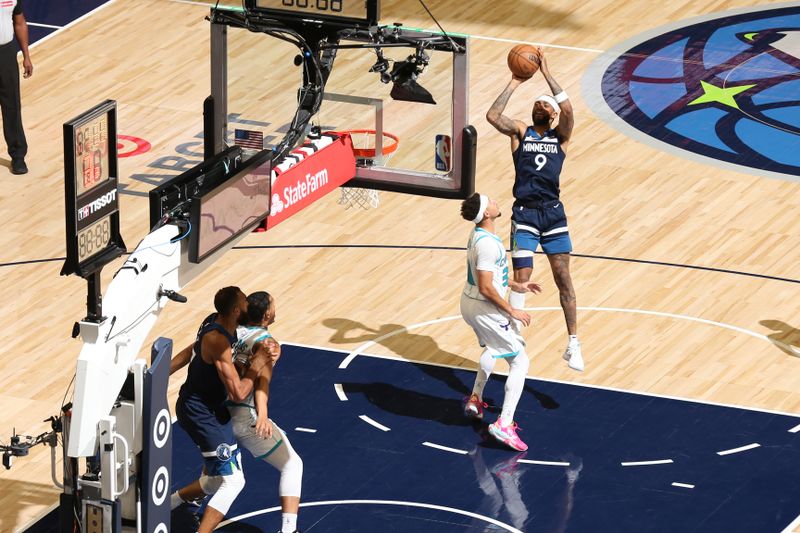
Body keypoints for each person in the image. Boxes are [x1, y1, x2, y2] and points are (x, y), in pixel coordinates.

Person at [486, 47, 583, 372]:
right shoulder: (520, 132)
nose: (539, 105)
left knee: (563, 278)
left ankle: (573, 343)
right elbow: (493, 117)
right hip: (525, 214)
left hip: (554, 214)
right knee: (522, 276)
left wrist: (546, 72)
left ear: (552, 114)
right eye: (537, 102)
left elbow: (569, 108)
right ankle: (513, 332)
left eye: (545, 103)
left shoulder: (562, 136)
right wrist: (515, 81)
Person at [168, 286, 269, 533]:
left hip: (214, 409)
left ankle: (168, 504)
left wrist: (159, 373)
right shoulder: (218, 339)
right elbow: (238, 392)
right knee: (234, 481)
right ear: (236, 310)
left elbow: (191, 350)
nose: (249, 306)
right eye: (245, 303)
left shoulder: (217, 323)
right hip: (199, 412)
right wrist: (257, 366)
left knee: (216, 479)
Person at [460, 192, 541, 451]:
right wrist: (511, 310)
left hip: (471, 303)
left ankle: (476, 398)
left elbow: (491, 278)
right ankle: (504, 424)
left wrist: (518, 284)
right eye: (490, 201)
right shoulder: (487, 244)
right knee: (520, 361)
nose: (495, 201)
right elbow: (486, 287)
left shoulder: (479, 236)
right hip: (484, 308)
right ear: (486, 213)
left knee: (493, 349)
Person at [228, 291, 303, 533]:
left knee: (216, 479)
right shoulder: (267, 344)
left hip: (216, 416)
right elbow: (262, 383)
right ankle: (288, 530)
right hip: (245, 417)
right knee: (293, 465)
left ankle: (175, 500)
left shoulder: (229, 331)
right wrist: (262, 415)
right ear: (268, 314)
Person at [1, 1, 32, 174]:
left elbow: (20, 23)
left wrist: (26, 56)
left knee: (12, 106)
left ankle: (18, 157)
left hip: (6, 54)